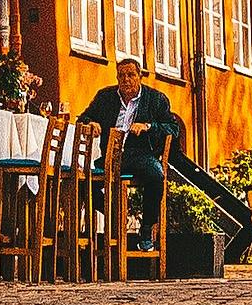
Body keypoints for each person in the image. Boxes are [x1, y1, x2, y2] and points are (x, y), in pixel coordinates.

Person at [79, 52, 187, 241]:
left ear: (140, 76)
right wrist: (90, 123)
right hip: (111, 156)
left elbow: (173, 128)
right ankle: (114, 212)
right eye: (121, 75)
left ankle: (147, 228)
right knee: (82, 181)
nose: (126, 80)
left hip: (141, 155)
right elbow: (83, 117)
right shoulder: (105, 97)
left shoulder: (156, 99)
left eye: (130, 75)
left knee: (156, 175)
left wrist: (148, 126)